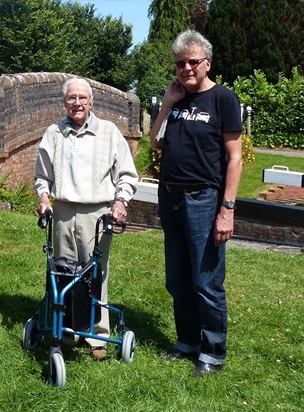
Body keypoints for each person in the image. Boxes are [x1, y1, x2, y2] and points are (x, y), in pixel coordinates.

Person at [149, 30, 243, 376]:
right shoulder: (176, 99)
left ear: (207, 63)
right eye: (180, 63)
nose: (186, 68)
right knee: (177, 278)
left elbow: (235, 159)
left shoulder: (223, 100)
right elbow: (156, 143)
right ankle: (187, 341)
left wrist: (227, 210)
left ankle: (213, 352)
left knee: (206, 280)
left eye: (193, 62)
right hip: (170, 196)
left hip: (204, 198)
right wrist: (166, 105)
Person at [35, 78, 138, 360]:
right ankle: (67, 331)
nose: (77, 103)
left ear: (91, 101)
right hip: (65, 211)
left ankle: (99, 335)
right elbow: (42, 176)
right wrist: (44, 198)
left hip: (98, 211)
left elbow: (127, 175)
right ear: (64, 102)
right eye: (71, 98)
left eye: (82, 98)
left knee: (96, 273)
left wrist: (120, 202)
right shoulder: (54, 133)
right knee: (64, 271)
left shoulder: (109, 132)